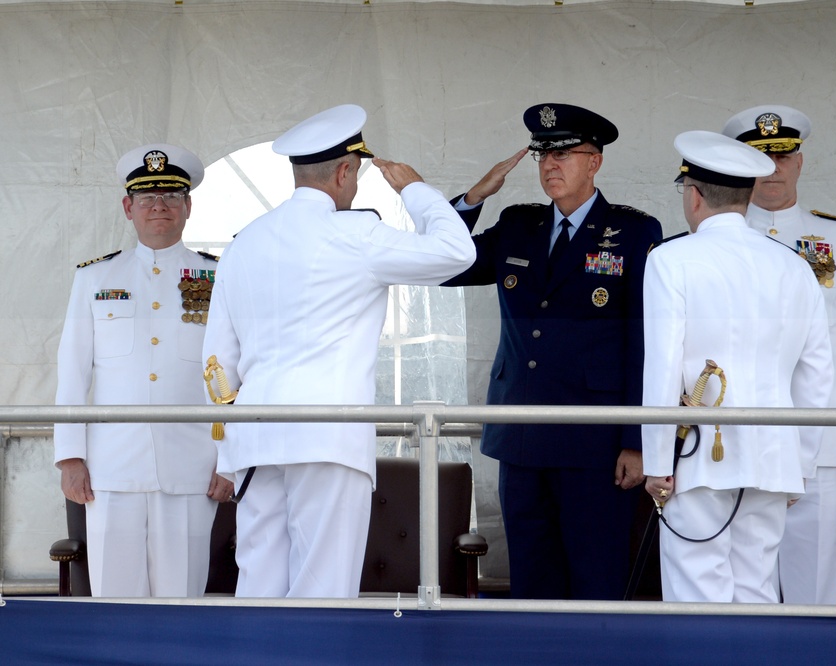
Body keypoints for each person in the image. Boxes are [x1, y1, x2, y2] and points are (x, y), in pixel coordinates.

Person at [201, 104, 476, 598]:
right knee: (323, 588)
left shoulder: (244, 244)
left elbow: (217, 364)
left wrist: (227, 451)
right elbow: (458, 252)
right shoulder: (356, 235)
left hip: (255, 440)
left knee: (258, 585)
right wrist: (416, 190)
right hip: (327, 438)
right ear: (345, 170)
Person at [442, 103, 663, 600]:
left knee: (596, 577)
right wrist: (474, 197)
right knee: (531, 578)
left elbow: (644, 343)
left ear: (595, 162)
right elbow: (442, 265)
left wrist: (636, 439)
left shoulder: (632, 232)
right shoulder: (517, 225)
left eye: (564, 153)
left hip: (596, 442)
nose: (550, 165)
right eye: (543, 154)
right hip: (521, 437)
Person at [642, 130, 833, 603]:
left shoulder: (671, 260)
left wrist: (657, 460)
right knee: (757, 590)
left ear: (694, 195)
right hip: (774, 455)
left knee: (695, 591)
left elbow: (663, 367)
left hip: (699, 455)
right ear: (748, 197)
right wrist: (802, 463)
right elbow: (817, 373)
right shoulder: (794, 265)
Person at [722, 105, 836, 605]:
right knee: (737, 587)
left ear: (800, 162)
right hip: (735, 440)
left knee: (813, 589)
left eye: (784, 155)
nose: (773, 169)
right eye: (760, 157)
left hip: (822, 445)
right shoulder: (713, 242)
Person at [54, 143, 234, 597]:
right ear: (128, 207)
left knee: (183, 598)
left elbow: (233, 373)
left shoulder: (220, 276)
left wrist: (231, 458)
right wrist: (71, 456)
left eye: (172, 196)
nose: (160, 205)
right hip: (112, 466)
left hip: (192, 464)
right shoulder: (95, 279)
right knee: (114, 598)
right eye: (149, 197)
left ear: (188, 206)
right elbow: (73, 372)